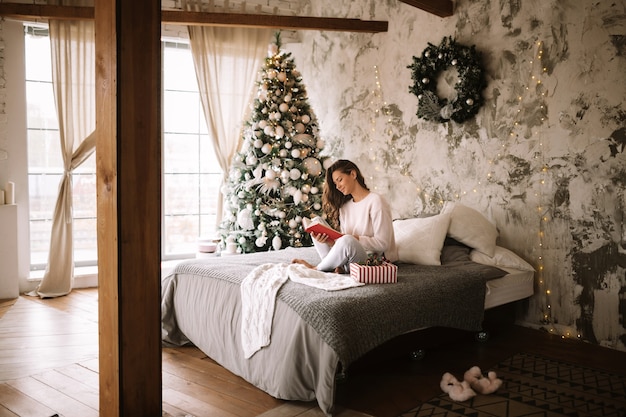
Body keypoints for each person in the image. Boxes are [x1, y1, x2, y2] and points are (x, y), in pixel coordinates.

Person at [292, 159, 397, 273]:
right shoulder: (344, 207)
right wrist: (329, 242)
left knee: (347, 239)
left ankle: (317, 269)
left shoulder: (376, 201)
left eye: (340, 180)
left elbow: (383, 244)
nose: (338, 187)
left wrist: (355, 239)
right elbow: (344, 244)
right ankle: (332, 266)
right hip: (349, 259)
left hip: (369, 261)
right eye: (335, 184)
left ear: (353, 174)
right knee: (317, 221)